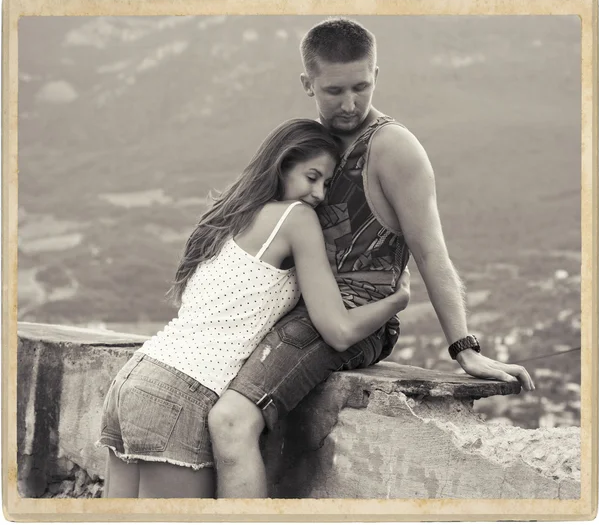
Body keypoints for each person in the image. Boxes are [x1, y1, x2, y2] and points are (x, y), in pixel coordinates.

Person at [207, 17, 536, 498]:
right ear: (308, 84)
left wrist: (465, 347)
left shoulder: (392, 148)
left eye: (361, 87)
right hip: (290, 307)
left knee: (231, 420)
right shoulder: (308, 145)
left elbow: (431, 250)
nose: (349, 103)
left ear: (376, 75)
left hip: (354, 319)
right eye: (334, 90)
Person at [96, 118, 411, 498]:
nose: (319, 194)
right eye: (312, 177)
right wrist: (397, 300)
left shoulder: (228, 216)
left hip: (134, 379)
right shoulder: (296, 218)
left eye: (327, 183)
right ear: (282, 165)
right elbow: (338, 330)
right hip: (181, 390)